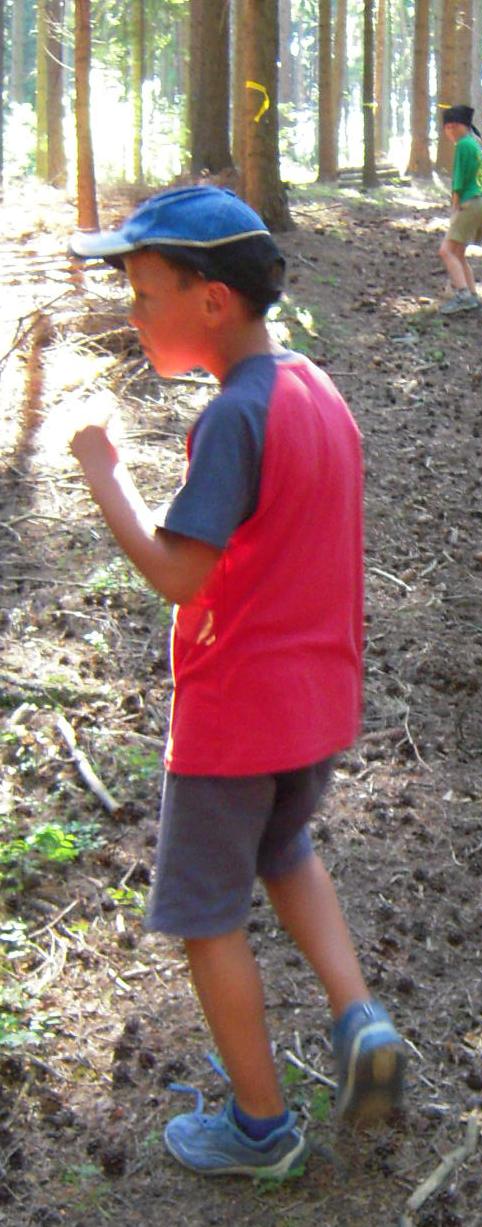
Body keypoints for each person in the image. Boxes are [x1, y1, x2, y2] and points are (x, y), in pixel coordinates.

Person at [66, 186, 408, 1178]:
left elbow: (180, 575)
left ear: (211, 300)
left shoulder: (233, 417)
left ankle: (261, 1128)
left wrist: (103, 474)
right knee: (285, 847)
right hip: (317, 702)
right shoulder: (313, 387)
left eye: (144, 294)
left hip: (233, 719)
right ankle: (360, 1017)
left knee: (205, 916)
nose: (132, 314)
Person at [438, 103, 482, 314]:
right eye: (447, 127)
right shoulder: (473, 144)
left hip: (471, 202)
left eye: (453, 126)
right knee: (458, 253)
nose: (450, 131)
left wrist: (455, 208)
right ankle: (472, 295)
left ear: (463, 126)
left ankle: (462, 295)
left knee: (446, 251)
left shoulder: (463, 145)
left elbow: (458, 182)